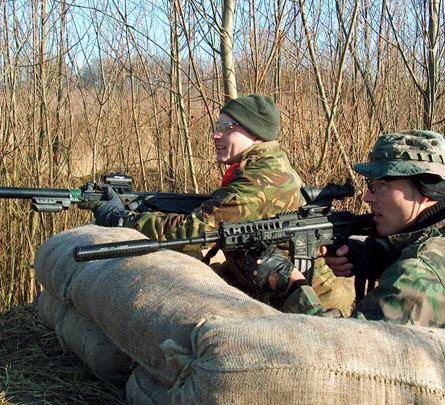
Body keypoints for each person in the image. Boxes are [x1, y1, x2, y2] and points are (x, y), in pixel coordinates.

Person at [88, 94, 354, 313]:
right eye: (216, 127)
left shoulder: (257, 182)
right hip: (286, 289)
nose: (215, 135)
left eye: (226, 128)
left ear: (255, 134)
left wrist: (121, 218)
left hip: (311, 302)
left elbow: (191, 232)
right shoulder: (267, 164)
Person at [244, 130, 445, 335]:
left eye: (380, 186)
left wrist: (292, 286)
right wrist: (379, 255)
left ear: (426, 187)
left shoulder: (420, 275)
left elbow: (346, 348)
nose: (367, 198)